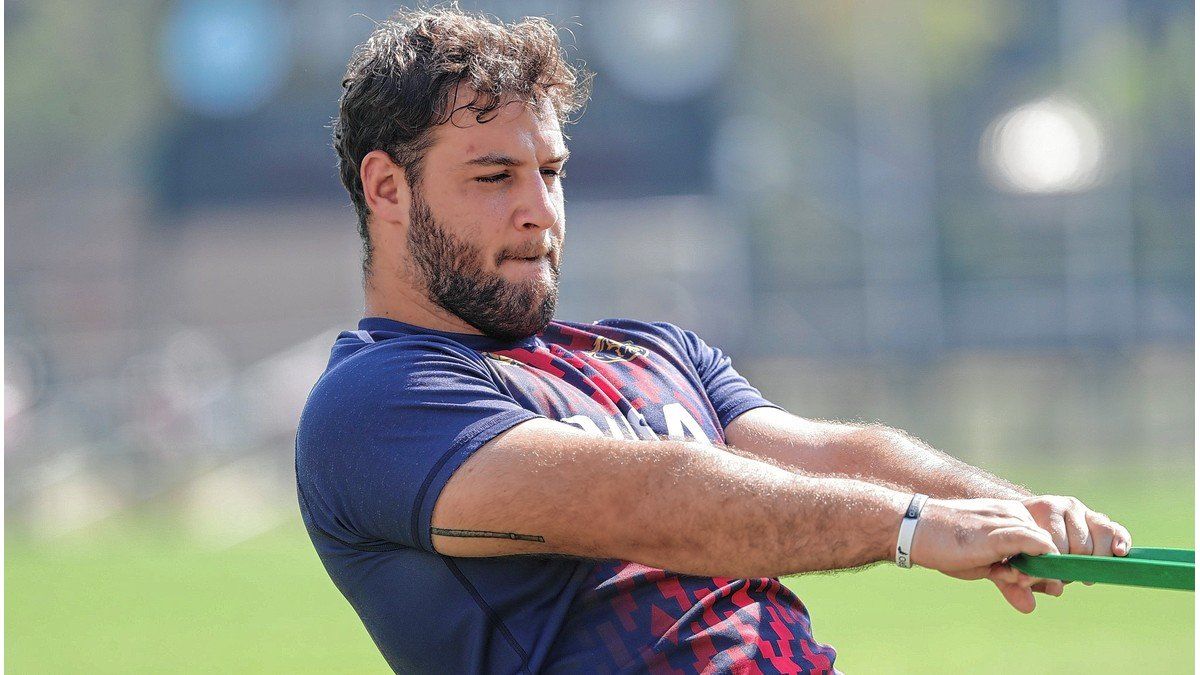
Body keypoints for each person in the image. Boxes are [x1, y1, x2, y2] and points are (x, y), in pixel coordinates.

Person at [295, 7, 1132, 673]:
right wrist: (912, 525)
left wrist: (1003, 507)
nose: (540, 211)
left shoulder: (653, 350)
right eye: (493, 176)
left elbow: (830, 454)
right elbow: (648, 499)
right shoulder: (374, 400)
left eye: (550, 172)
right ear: (388, 188)